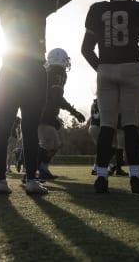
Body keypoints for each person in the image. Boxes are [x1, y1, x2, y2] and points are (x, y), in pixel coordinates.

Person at [0, 0, 74, 195]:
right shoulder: (40, 0)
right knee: (29, 126)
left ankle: (0, 180)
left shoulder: (0, 2)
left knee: (3, 125)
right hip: (33, 68)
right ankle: (32, 179)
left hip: (9, 66)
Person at [82, 0, 139, 194]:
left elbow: (86, 49)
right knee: (131, 125)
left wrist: (102, 68)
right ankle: (135, 178)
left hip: (106, 68)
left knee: (106, 125)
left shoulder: (96, 9)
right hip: (132, 65)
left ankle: (102, 177)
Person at [37, 48, 86, 180]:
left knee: (51, 144)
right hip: (44, 114)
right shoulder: (58, 72)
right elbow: (56, 97)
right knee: (50, 144)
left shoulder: (47, 71)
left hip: (40, 112)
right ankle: (34, 170)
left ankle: (42, 169)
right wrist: (74, 112)